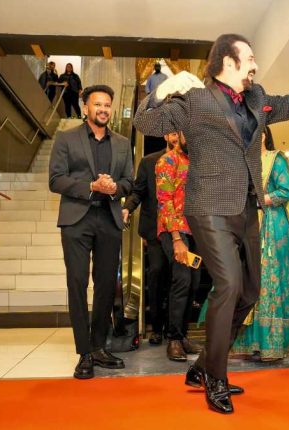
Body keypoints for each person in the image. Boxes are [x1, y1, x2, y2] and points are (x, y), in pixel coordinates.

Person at [134, 32, 289, 414]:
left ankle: (202, 365)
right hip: (208, 206)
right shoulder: (196, 99)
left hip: (246, 207)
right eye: (250, 57)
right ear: (228, 61)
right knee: (228, 285)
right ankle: (216, 378)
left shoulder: (257, 98)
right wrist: (161, 91)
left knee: (250, 292)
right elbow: (145, 122)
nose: (255, 64)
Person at [48, 84, 134, 379]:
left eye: (107, 105)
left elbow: (130, 181)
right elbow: (56, 180)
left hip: (109, 219)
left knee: (106, 285)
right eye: (98, 104)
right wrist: (90, 187)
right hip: (77, 219)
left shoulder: (122, 143)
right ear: (85, 107)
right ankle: (84, 352)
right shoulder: (66, 138)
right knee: (77, 282)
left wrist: (114, 188)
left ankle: (99, 346)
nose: (103, 110)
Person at [232, 127, 289, 361]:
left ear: (264, 136)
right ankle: (249, 343)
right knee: (247, 279)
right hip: (247, 224)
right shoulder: (241, 162)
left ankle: (271, 343)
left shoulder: (275, 159)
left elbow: (285, 191)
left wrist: (259, 201)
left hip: (272, 225)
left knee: (269, 279)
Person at [155, 131, 202, 361]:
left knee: (194, 284)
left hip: (197, 230)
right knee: (182, 280)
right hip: (174, 229)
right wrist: (176, 238)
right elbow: (164, 201)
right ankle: (173, 339)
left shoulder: (199, 160)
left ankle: (182, 335)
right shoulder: (167, 160)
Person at [122, 147, 168, 346]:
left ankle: (175, 329)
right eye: (172, 134)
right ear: (165, 136)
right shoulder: (149, 161)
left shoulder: (191, 158)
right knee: (156, 272)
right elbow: (138, 191)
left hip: (182, 229)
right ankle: (157, 328)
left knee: (180, 278)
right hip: (154, 230)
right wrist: (127, 207)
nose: (176, 137)